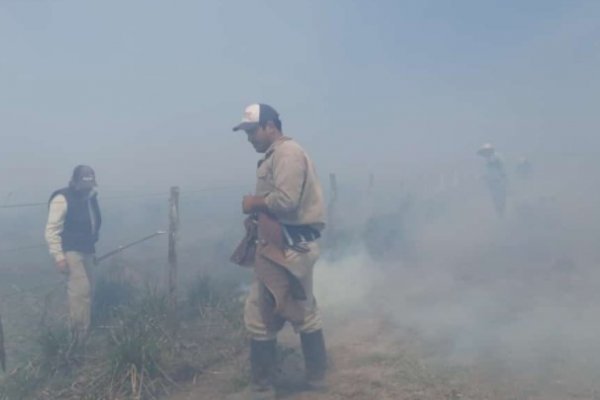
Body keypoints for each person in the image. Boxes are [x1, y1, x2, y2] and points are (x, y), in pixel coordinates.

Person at [231, 103, 327, 398]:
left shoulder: (286, 153)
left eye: (252, 131)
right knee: (302, 309)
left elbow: (286, 201)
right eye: (246, 132)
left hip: (285, 247)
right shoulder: (282, 153)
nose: (249, 138)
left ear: (270, 125)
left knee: (259, 315)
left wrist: (254, 203)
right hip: (288, 244)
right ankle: (317, 379)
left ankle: (262, 387)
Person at [45, 165, 101, 342]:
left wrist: (92, 248)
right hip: (71, 250)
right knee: (80, 291)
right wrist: (59, 257)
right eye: (85, 184)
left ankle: (85, 329)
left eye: (90, 184)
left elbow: (93, 222)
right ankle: (78, 338)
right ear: (75, 182)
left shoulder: (90, 197)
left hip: (87, 250)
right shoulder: (62, 198)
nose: (88, 188)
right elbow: (51, 230)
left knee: (89, 289)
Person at [477, 143, 508, 218]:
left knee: (501, 196)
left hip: (499, 180)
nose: (485, 153)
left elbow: (502, 167)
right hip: (491, 182)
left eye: (487, 151)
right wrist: (483, 177)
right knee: (494, 197)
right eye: (484, 152)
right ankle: (499, 212)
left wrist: (503, 176)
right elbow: (485, 172)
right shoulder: (485, 160)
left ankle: (502, 210)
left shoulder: (497, 157)